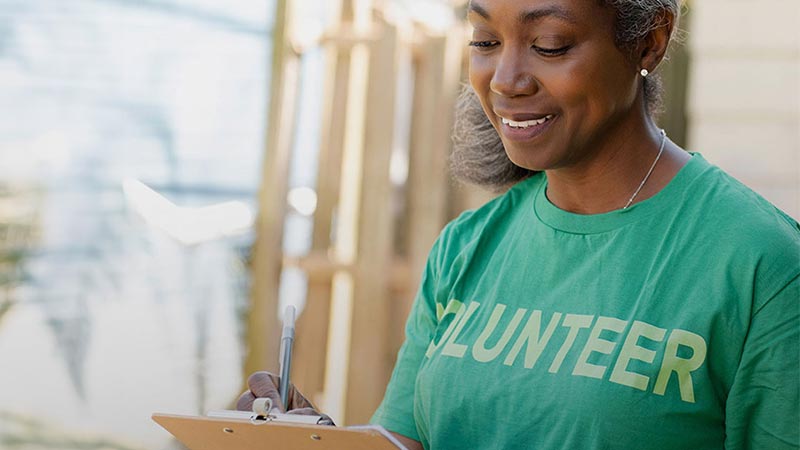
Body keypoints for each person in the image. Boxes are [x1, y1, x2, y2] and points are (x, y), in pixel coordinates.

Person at [239, 0, 800, 448]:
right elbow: (409, 437)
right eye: (484, 42)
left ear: (648, 39)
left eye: (548, 44)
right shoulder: (466, 246)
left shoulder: (762, 264)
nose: (505, 79)